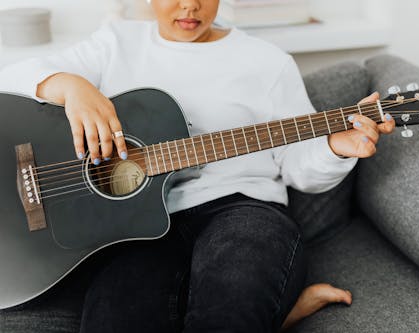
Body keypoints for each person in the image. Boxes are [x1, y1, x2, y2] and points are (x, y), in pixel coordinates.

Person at [0, 0, 395, 332]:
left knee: (236, 291)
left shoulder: (267, 62)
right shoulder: (116, 42)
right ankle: (280, 313)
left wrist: (334, 148)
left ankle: (264, 309)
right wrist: (71, 86)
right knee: (116, 314)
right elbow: (12, 78)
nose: (190, 5)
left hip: (241, 209)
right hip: (136, 228)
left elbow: (299, 169)